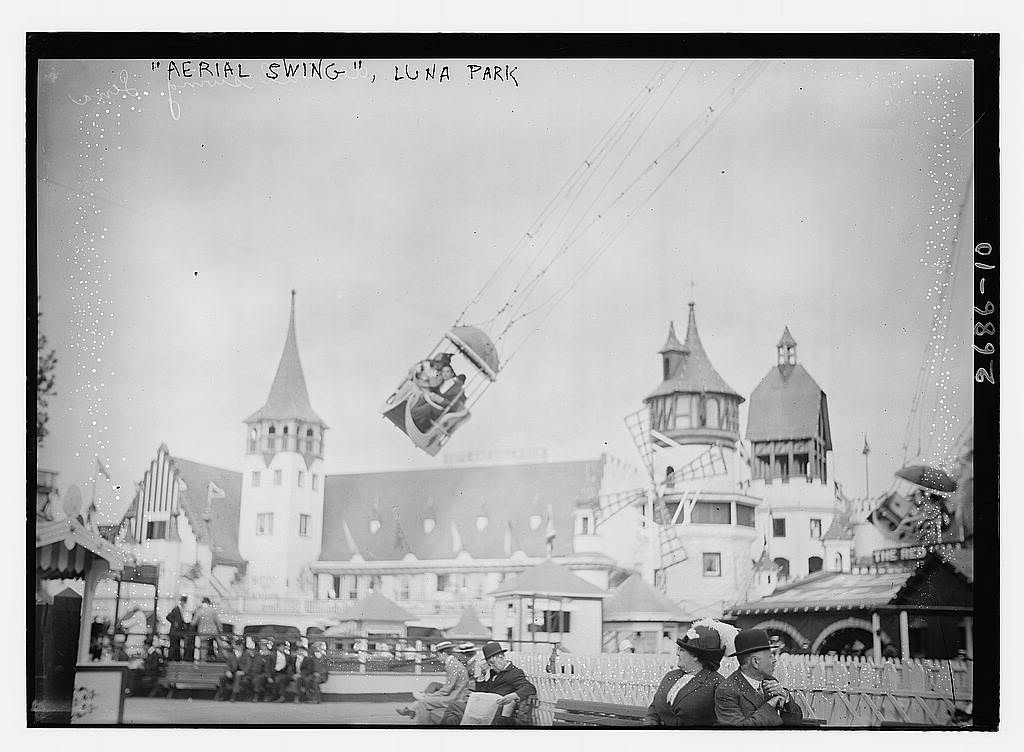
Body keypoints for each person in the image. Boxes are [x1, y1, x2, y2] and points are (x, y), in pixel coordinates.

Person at [715, 629, 804, 727]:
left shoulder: (771, 681)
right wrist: (770, 705)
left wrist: (786, 697)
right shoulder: (727, 690)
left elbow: (796, 722)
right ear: (755, 662)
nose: (774, 660)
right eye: (770, 656)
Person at [644, 624, 726, 727]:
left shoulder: (717, 683)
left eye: (682, 650)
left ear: (696, 656)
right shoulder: (671, 676)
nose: (677, 653)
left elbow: (722, 722)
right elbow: (654, 710)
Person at [396, 641, 470, 724]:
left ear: (444, 654)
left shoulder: (452, 665)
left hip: (455, 698)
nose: (438, 658)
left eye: (438, 655)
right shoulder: (454, 663)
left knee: (423, 702)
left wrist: (428, 695)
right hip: (456, 695)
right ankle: (414, 714)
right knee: (424, 700)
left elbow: (447, 690)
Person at [466, 641, 537, 726]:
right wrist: (482, 676)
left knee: (455, 709)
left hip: (497, 713)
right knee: (454, 710)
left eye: (492, 663)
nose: (491, 667)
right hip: (485, 709)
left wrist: (513, 695)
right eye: (489, 664)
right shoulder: (493, 673)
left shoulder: (514, 672)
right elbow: (482, 692)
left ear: (502, 658)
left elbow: (530, 688)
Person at [216, 635, 252, 702]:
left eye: (238, 645)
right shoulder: (231, 654)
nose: (237, 646)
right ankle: (224, 694)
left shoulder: (246, 654)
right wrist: (227, 671)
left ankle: (234, 695)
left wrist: (243, 672)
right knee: (222, 677)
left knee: (238, 675)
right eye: (236, 645)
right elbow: (228, 665)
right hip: (233, 673)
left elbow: (249, 665)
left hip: (244, 675)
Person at [192, 597, 223, 662]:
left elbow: (193, 623)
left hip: (203, 633)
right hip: (213, 632)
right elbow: (218, 622)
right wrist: (220, 631)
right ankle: (220, 658)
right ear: (209, 603)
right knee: (220, 645)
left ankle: (203, 660)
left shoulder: (199, 611)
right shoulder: (213, 610)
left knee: (203, 647)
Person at [165, 596, 189, 661]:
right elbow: (168, 617)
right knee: (174, 646)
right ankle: (171, 659)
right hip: (175, 632)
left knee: (175, 646)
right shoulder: (177, 609)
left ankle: (175, 659)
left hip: (176, 632)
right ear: (183, 602)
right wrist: (174, 622)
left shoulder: (179, 609)